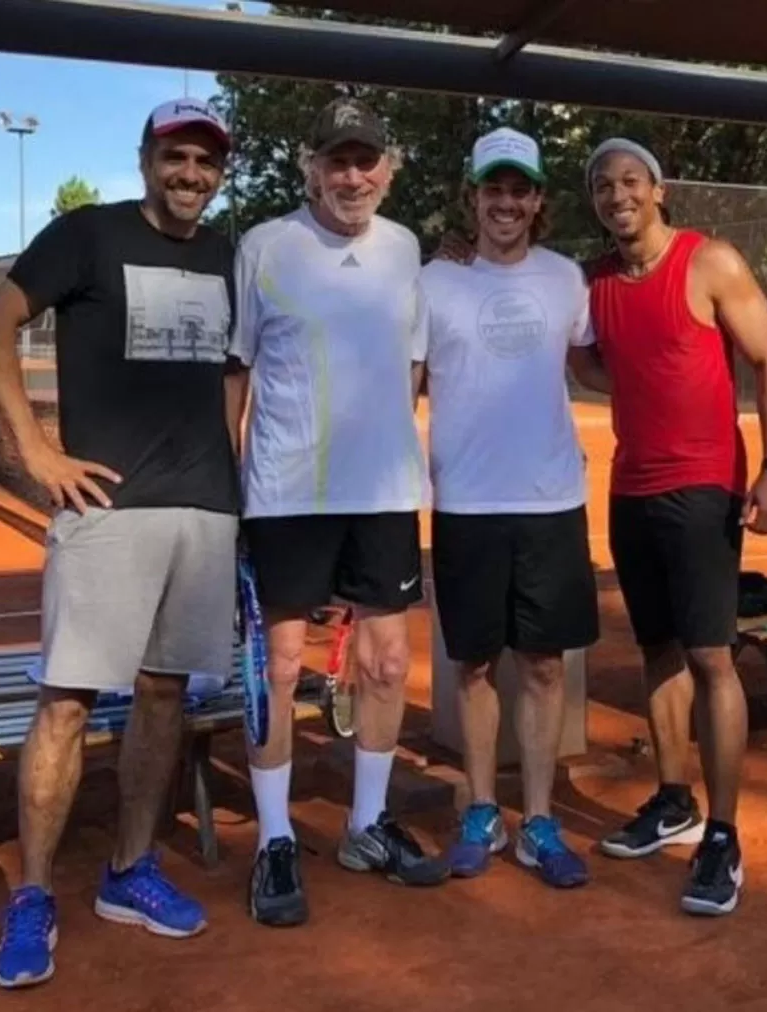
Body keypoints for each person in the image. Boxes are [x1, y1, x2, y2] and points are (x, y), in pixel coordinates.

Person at [0, 97, 240, 988]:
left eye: (204, 161)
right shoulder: (85, 234)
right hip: (106, 513)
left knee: (164, 698)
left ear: (219, 172)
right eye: (175, 157)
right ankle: (35, 895)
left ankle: (130, 870)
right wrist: (36, 451)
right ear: (145, 160)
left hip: (204, 513)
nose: (188, 174)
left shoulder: (236, 255)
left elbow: (237, 372)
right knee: (68, 703)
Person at [229, 96, 448, 928]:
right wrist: (229, 484)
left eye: (366, 161)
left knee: (388, 665)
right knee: (280, 668)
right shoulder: (264, 249)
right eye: (337, 161)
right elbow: (236, 372)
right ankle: (277, 838)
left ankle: (365, 826)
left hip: (385, 496)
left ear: (387, 170)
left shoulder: (405, 251)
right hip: (286, 495)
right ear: (310, 168)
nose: (352, 176)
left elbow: (416, 366)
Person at [571, 138, 767, 917]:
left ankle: (723, 835)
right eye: (603, 186)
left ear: (658, 190)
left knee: (709, 657)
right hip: (631, 488)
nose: (617, 195)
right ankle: (673, 800)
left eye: (630, 181)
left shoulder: (710, 262)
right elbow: (589, 363)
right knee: (658, 649)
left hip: (704, 490)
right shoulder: (592, 281)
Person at [419, 127, 598, 889]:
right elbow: (408, 383)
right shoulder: (433, 280)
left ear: (537, 202)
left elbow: (592, 362)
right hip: (465, 501)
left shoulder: (567, 279)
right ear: (473, 197)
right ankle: (483, 810)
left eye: (519, 190)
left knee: (547, 665)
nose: (505, 203)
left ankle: (542, 821)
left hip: (552, 500)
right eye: (492, 189)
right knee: (475, 666)